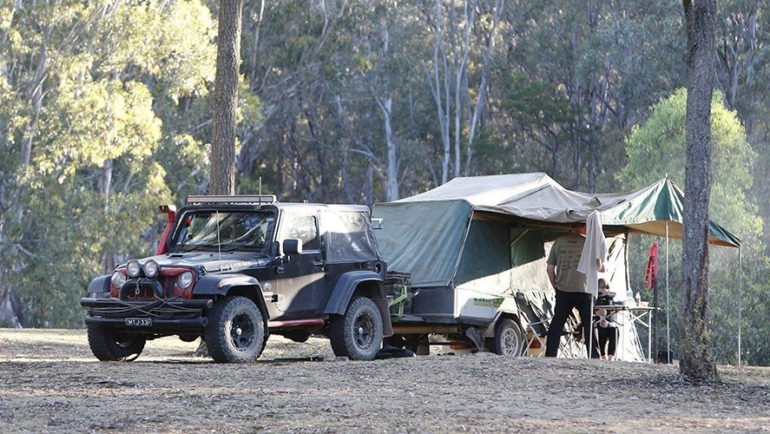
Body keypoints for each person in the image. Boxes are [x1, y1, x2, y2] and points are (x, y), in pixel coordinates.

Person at [545, 223, 603, 358]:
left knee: (557, 323)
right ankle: (594, 356)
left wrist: (556, 286)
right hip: (584, 289)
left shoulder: (558, 242)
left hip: (563, 289)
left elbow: (549, 268)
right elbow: (599, 267)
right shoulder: (589, 244)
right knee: (589, 324)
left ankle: (550, 355)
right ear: (584, 227)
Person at [593, 278, 619, 360]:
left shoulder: (609, 299)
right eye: (602, 287)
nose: (604, 290)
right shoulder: (594, 299)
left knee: (615, 331)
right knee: (601, 331)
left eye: (606, 288)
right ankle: (602, 355)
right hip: (595, 324)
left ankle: (611, 356)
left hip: (608, 324)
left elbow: (613, 319)